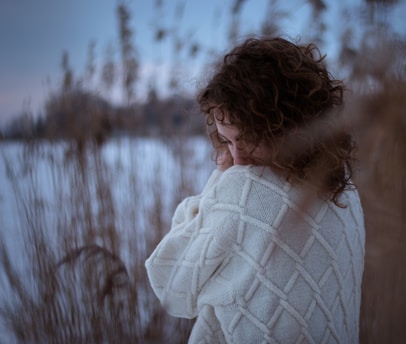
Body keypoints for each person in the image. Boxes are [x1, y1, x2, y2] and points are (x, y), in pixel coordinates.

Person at [145, 36, 365, 343]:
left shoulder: (245, 190)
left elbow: (170, 285)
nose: (236, 157)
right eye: (227, 140)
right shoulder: (345, 189)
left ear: (287, 128)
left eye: (247, 139)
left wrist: (218, 183)